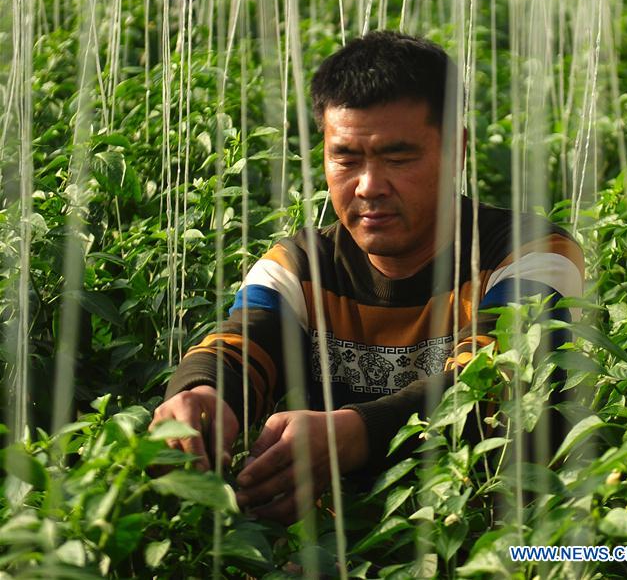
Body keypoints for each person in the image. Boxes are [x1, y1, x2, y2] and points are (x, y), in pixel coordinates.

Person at [151, 32, 584, 523]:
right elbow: (241, 342)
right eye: (346, 159)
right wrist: (203, 395)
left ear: (458, 150)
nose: (370, 186)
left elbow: (493, 380)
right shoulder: (300, 268)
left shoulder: (530, 254)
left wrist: (354, 435)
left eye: (399, 159)